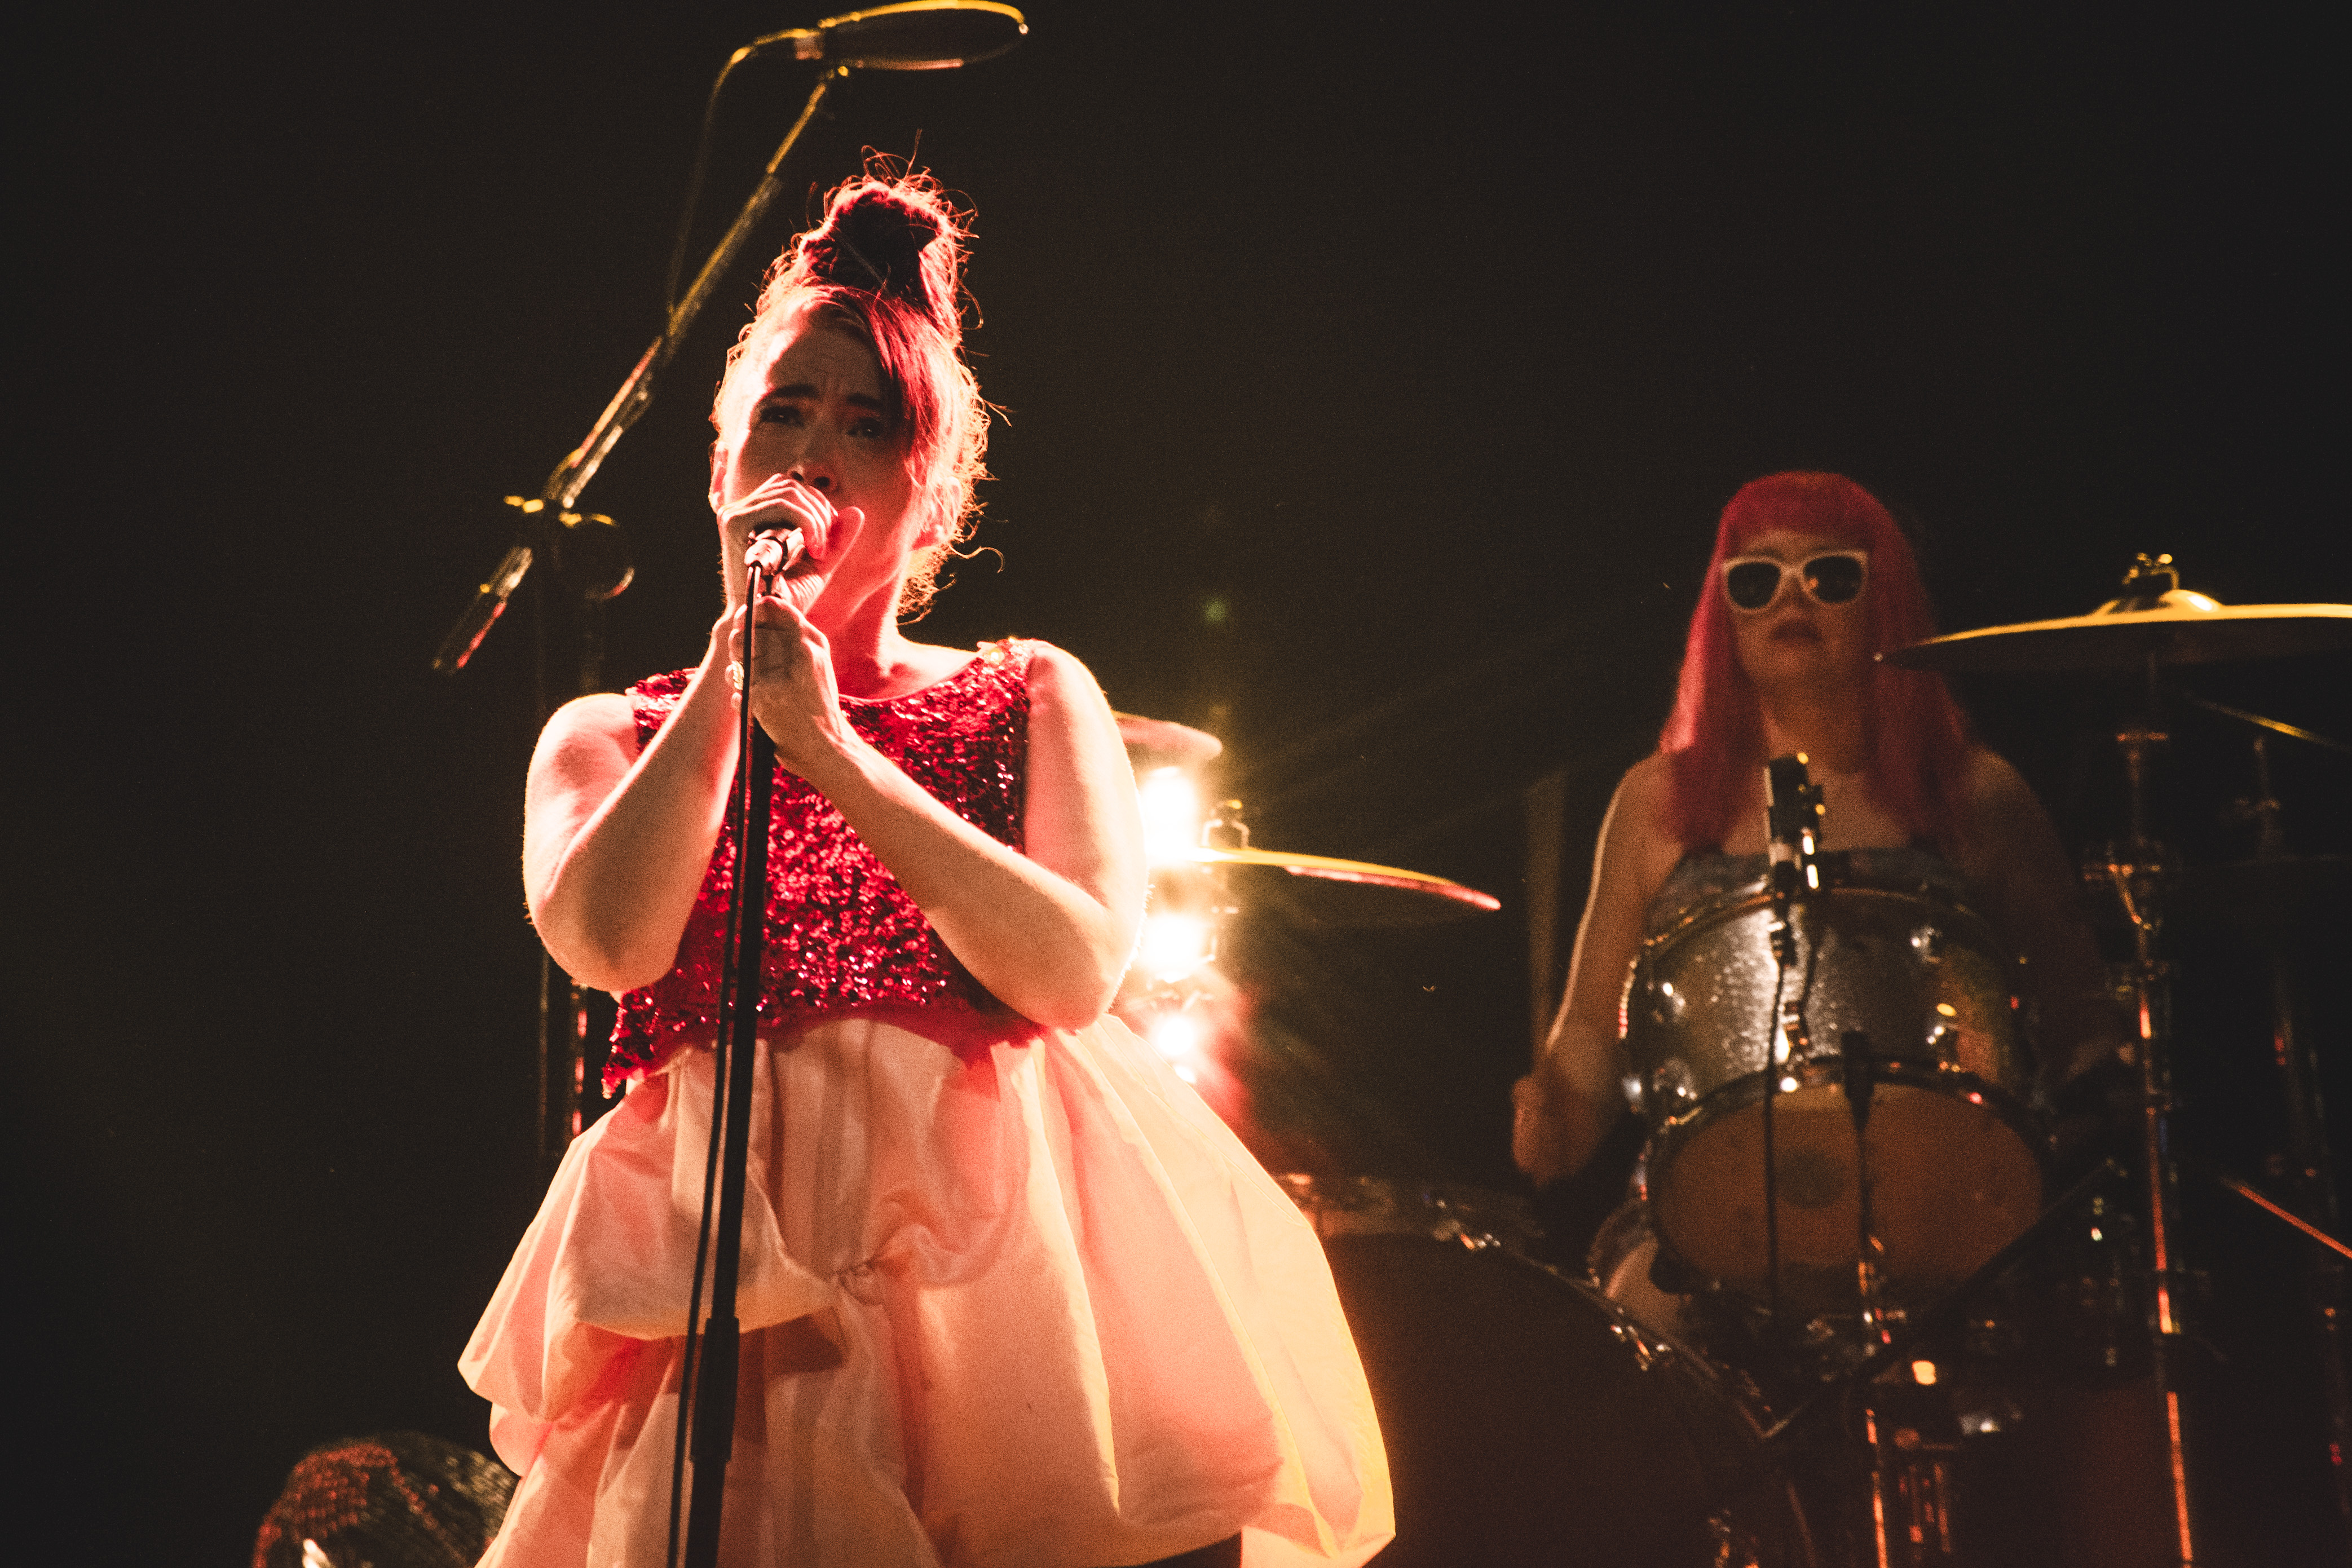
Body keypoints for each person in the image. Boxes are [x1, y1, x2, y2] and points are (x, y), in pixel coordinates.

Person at [461, 172, 1391, 1568]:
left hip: (1001, 1274)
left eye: (869, 424)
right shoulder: (615, 731)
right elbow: (608, 940)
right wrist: (736, 686)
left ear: (930, 493)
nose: (816, 453)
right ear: (721, 467)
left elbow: (1072, 967)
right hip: (737, 1268)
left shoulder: (1030, 690)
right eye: (784, 412)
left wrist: (830, 748)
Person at [1511, 470, 2164, 1566]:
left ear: (1884, 603)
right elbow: (1588, 1031)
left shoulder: (1979, 795)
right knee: (1631, 1345)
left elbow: (2078, 1019)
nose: (1790, 597)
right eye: (1755, 578)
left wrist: (2101, 1107)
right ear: (1722, 614)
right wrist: (1558, 1111)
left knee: (2100, 1345)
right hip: (1711, 1216)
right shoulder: (1655, 802)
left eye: (1828, 573)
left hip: (1955, 1210)